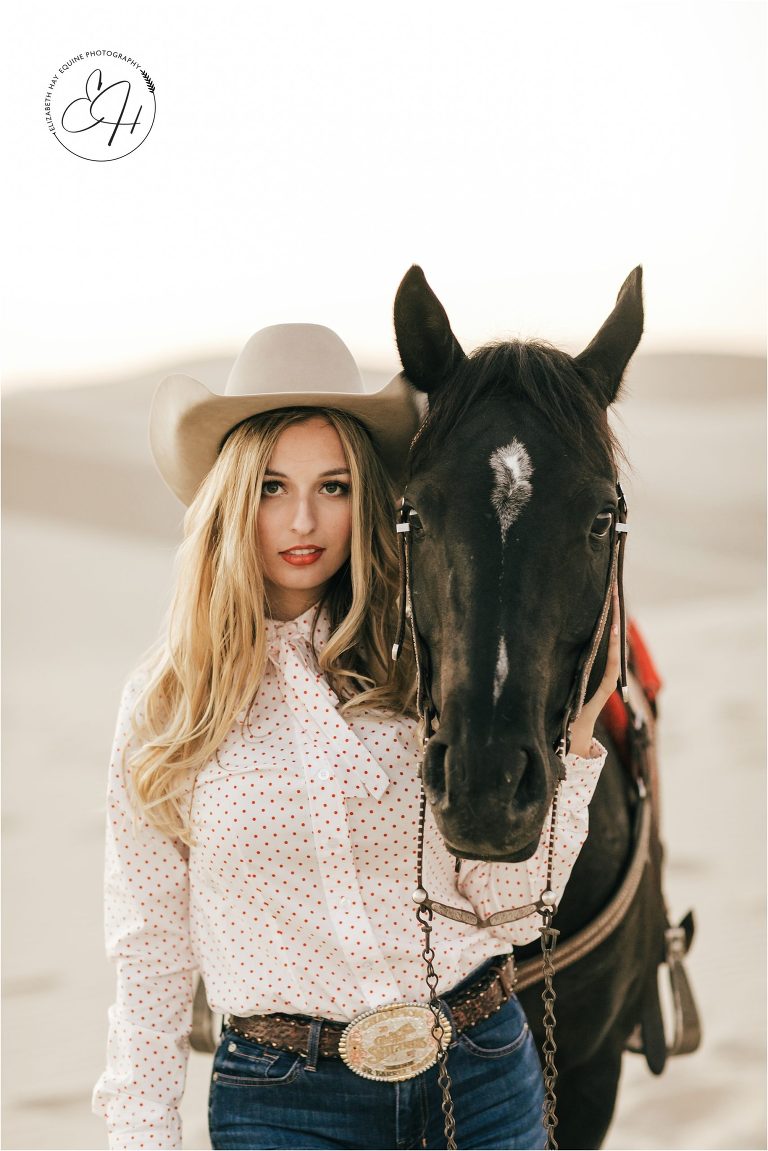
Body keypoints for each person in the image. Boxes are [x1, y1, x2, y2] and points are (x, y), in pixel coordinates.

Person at [92, 322, 618, 1150]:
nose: (303, 517)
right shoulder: (166, 707)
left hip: (476, 1071)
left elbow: (510, 913)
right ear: (231, 493)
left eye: (333, 485)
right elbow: (152, 957)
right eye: (272, 485)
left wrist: (578, 750)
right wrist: (141, 1136)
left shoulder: (422, 666)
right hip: (282, 1105)